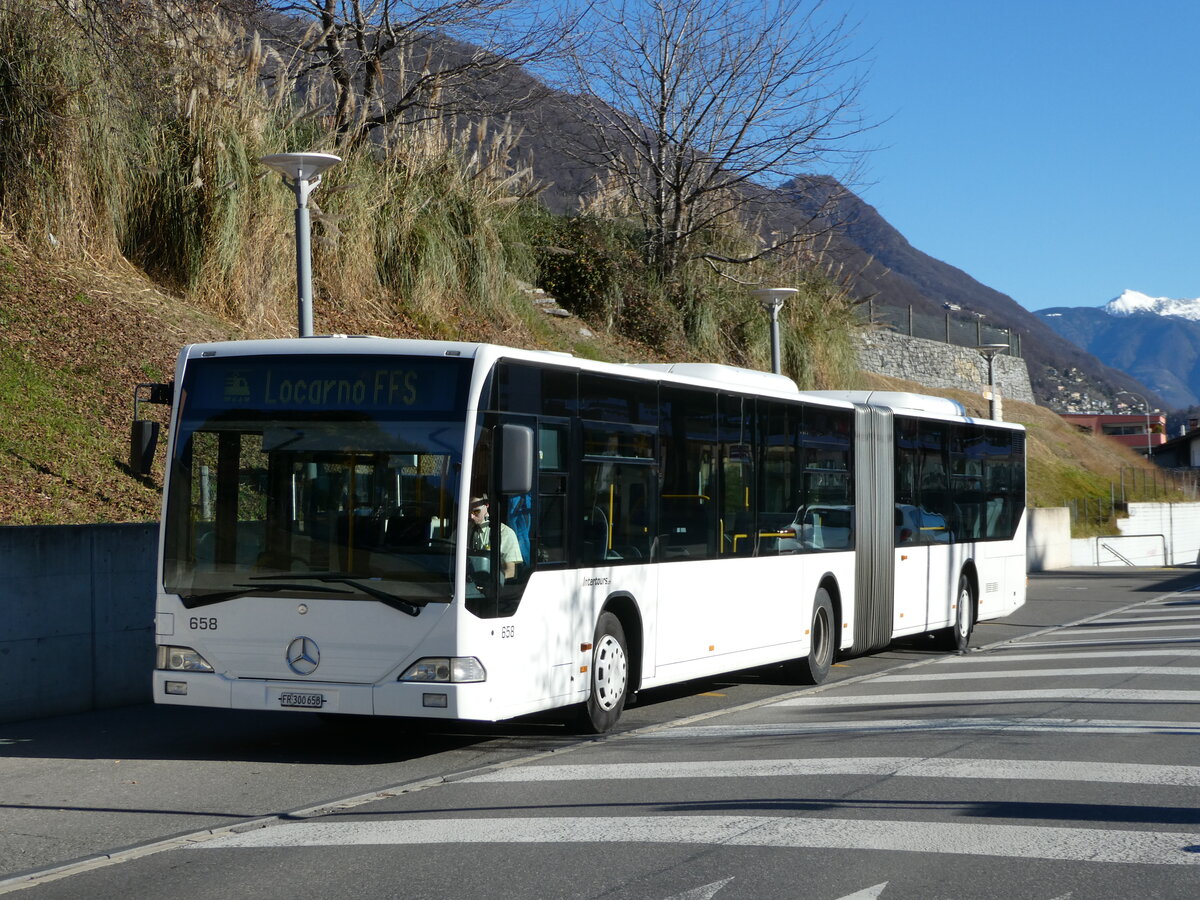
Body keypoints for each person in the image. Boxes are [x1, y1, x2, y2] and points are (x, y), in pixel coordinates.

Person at [468, 495, 523, 579]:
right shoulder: (463, 531)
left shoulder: (504, 533)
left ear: (486, 506)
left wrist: (490, 580)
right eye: (469, 512)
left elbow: (511, 572)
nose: (471, 516)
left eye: (475, 512)